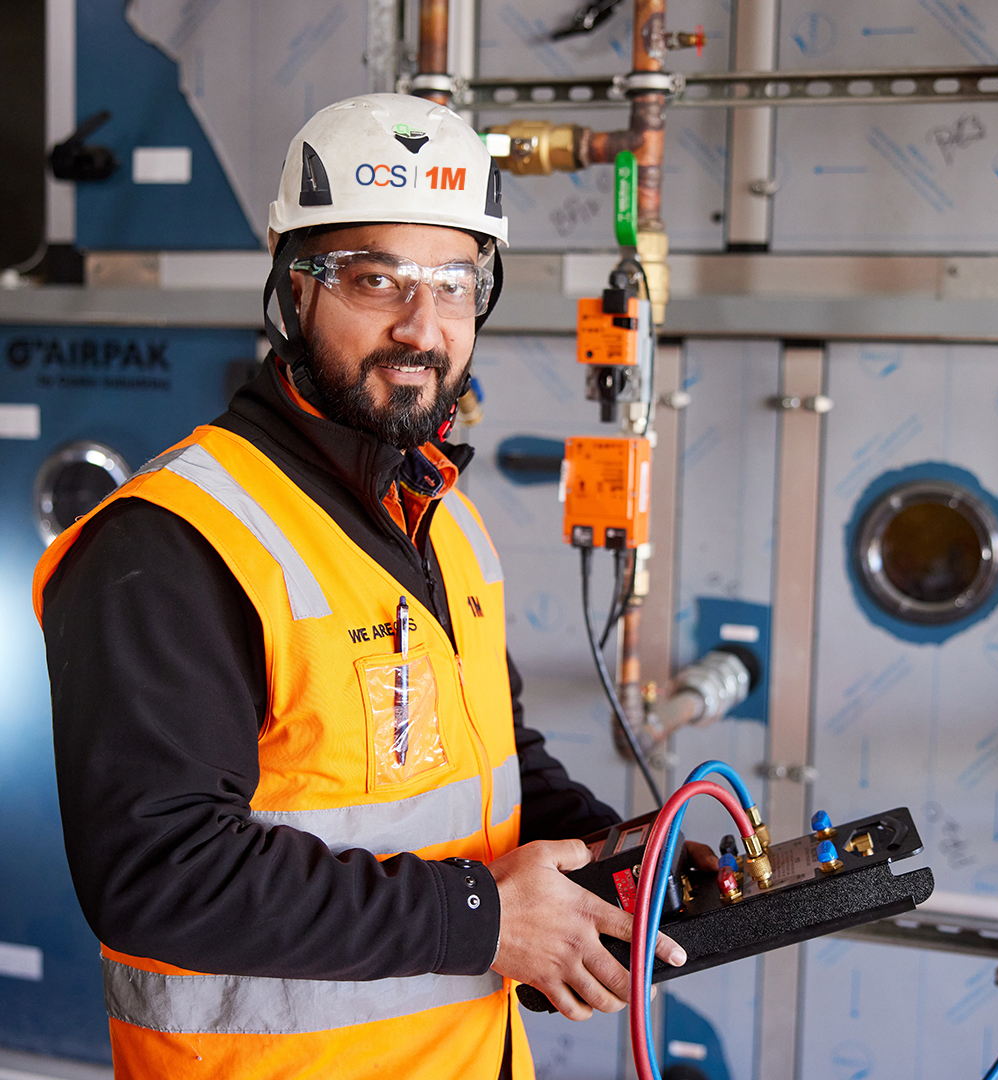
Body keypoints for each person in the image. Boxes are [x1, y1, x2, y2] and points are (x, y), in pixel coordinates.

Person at [32, 93, 687, 1080]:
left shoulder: (442, 515)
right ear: (296, 288)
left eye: (457, 284)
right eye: (377, 279)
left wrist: (618, 863)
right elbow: (161, 874)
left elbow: (494, 761)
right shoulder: (170, 543)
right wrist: (485, 920)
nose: (422, 327)